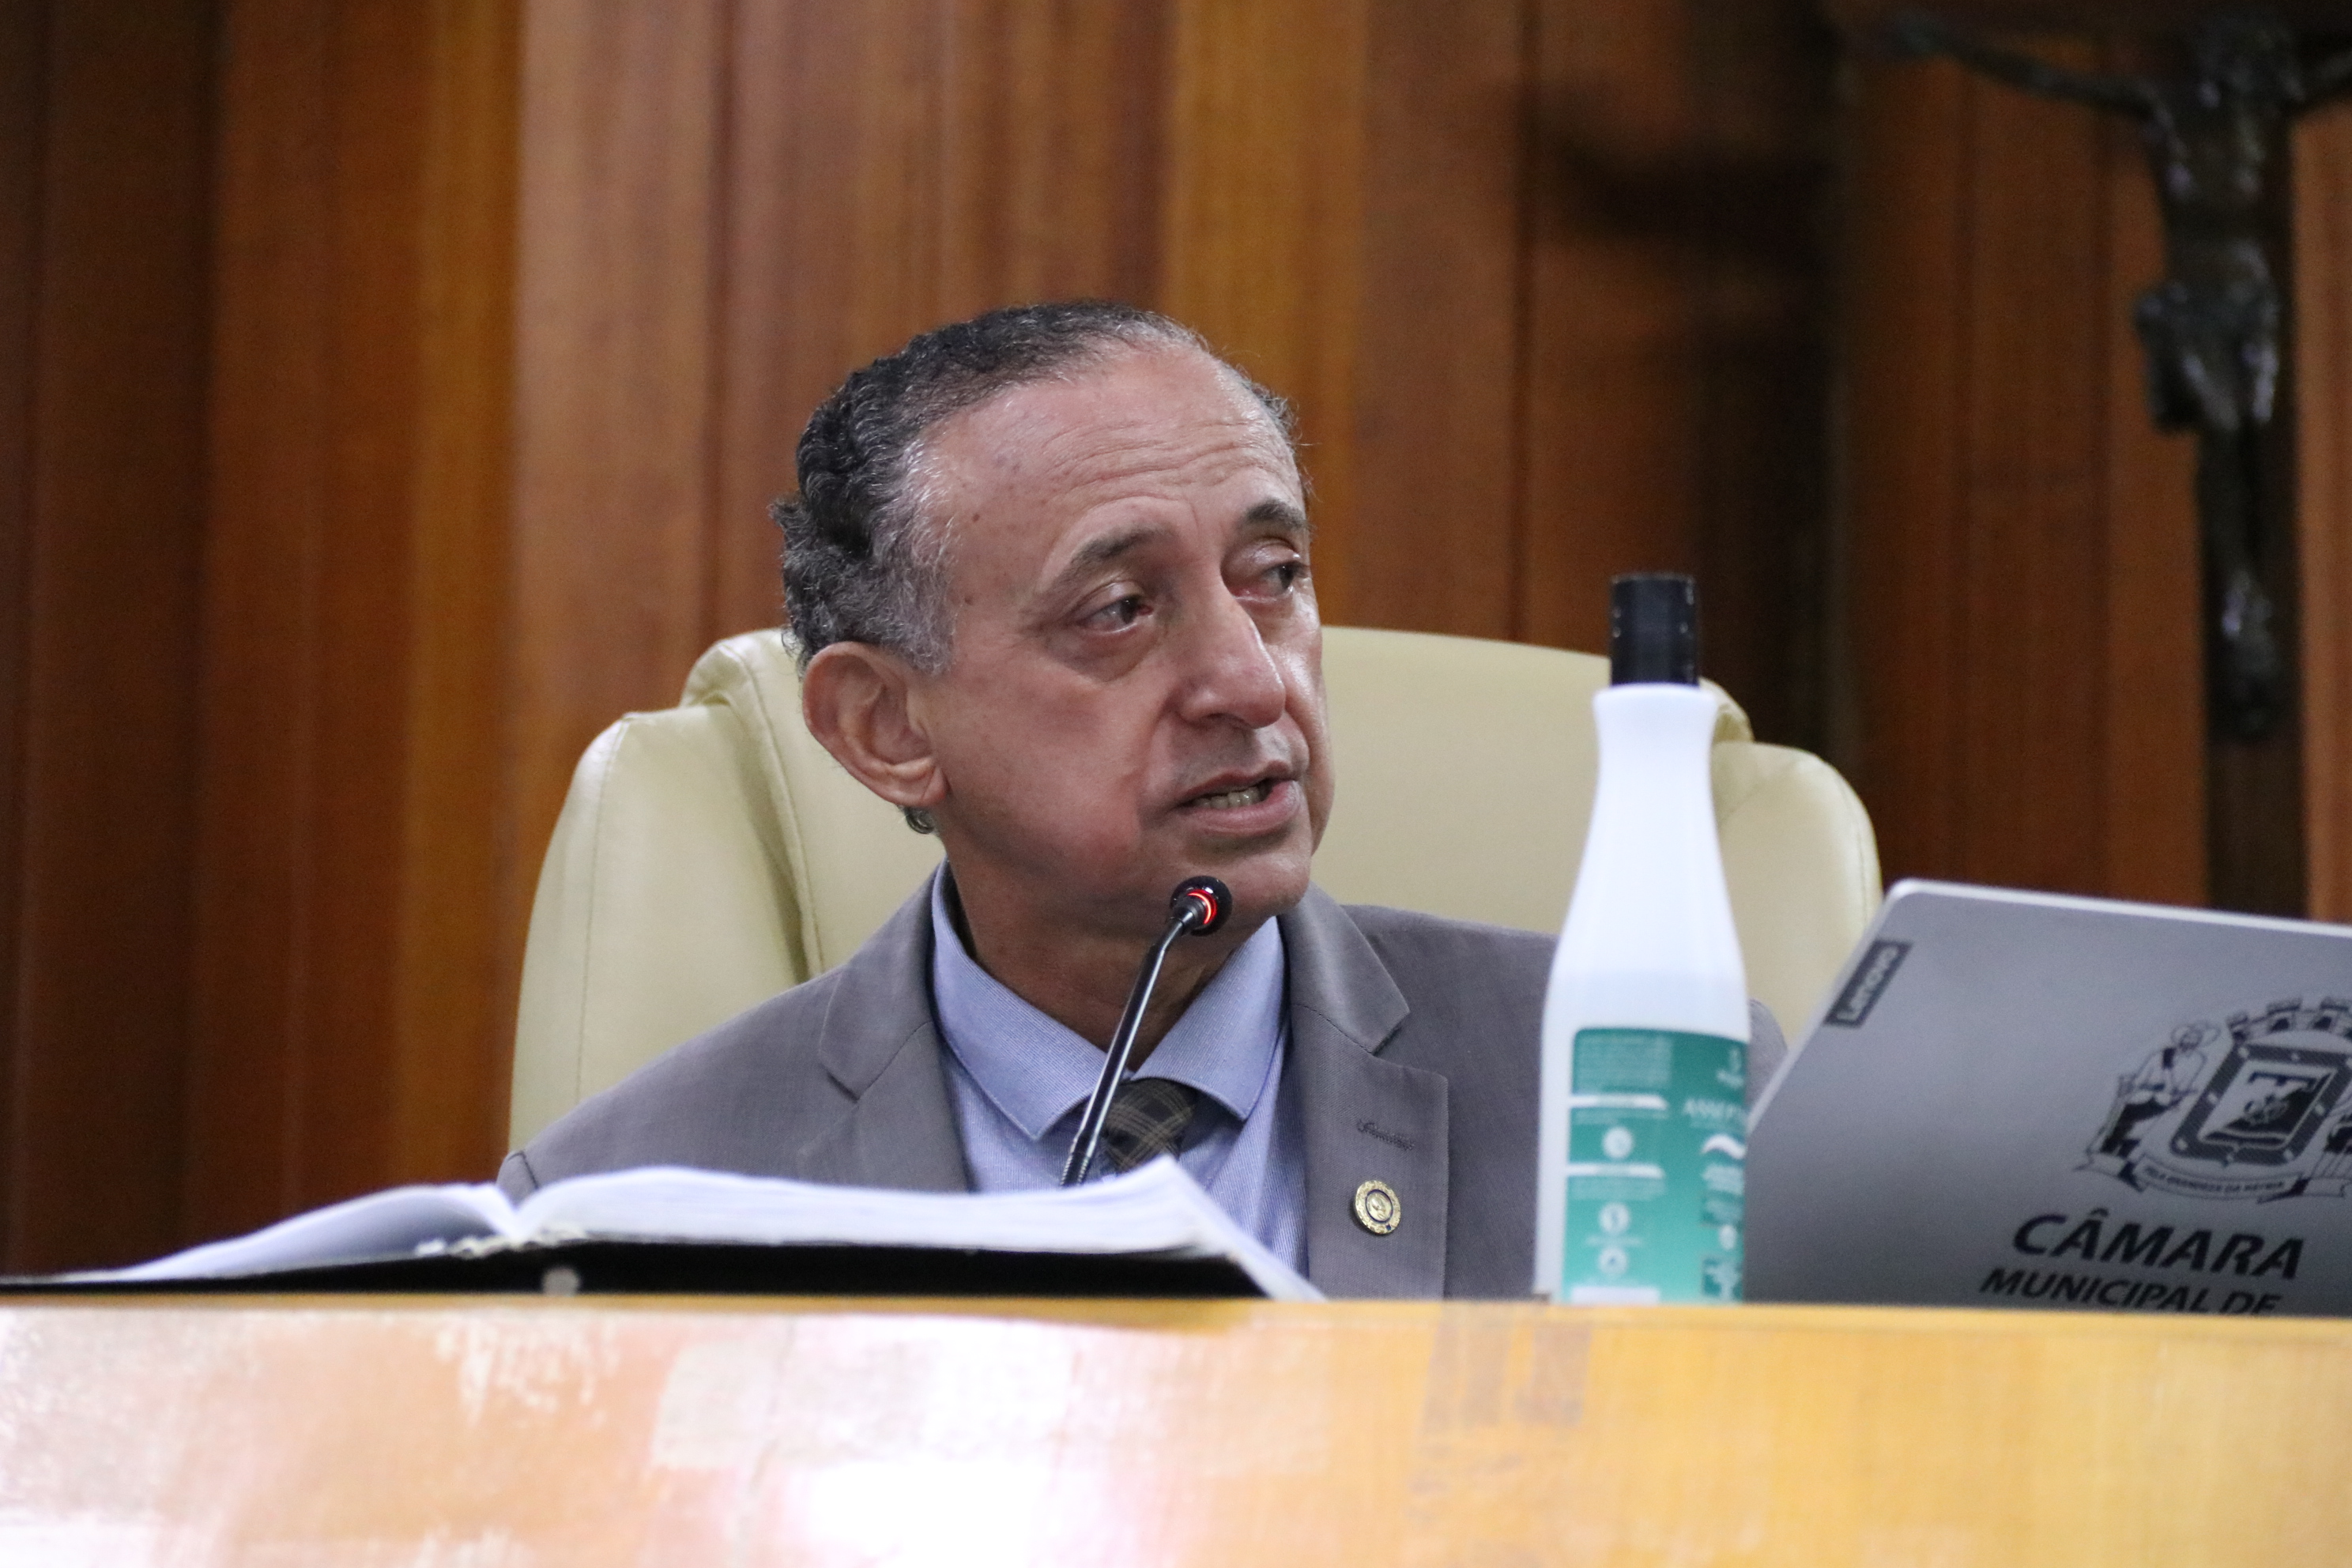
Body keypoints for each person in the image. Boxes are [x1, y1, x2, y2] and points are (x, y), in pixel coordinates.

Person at [499, 301, 1785, 1297]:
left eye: (1274, 575)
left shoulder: (1663, 1104)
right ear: (886, 728)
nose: (1251, 680)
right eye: (1119, 609)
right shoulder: (620, 1208)